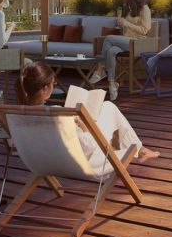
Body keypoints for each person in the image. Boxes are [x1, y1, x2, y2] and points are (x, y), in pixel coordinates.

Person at [15, 61, 159, 163]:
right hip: (82, 161)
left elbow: (13, 144)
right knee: (109, 107)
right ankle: (138, 149)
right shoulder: (56, 114)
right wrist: (84, 125)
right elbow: (89, 146)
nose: (54, 86)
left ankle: (138, 149)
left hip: (43, 161)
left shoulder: (17, 115)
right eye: (54, 83)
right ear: (46, 88)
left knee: (108, 109)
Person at [87, 0, 152, 101]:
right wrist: (122, 25)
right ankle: (112, 84)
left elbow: (145, 30)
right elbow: (128, 29)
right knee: (111, 51)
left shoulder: (145, 9)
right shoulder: (130, 8)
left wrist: (126, 23)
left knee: (108, 38)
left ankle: (101, 68)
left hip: (138, 43)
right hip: (127, 41)